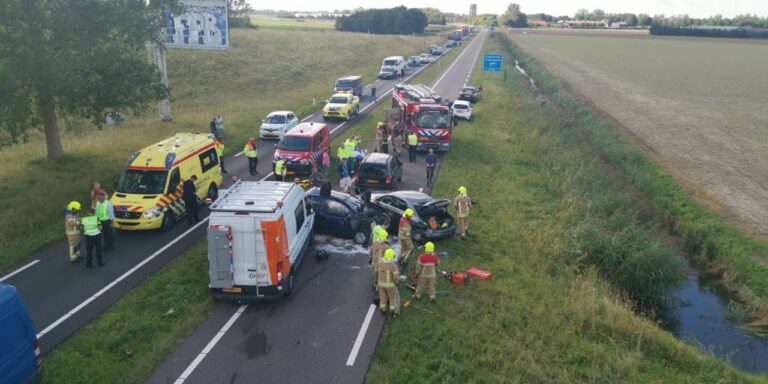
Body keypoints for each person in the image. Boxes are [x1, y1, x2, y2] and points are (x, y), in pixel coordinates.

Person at [378, 248, 400, 318]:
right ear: (392, 257)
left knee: (382, 296)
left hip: (380, 284)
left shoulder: (380, 263)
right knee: (392, 297)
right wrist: (397, 282)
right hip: (390, 285)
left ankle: (383, 309)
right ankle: (393, 310)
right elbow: (396, 277)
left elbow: (376, 271)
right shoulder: (393, 266)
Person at [370, 223, 389, 288]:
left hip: (374, 262)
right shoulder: (387, 246)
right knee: (379, 276)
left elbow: (371, 252)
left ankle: (375, 284)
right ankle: (377, 288)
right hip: (381, 264)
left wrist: (371, 258)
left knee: (375, 274)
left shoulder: (375, 243)